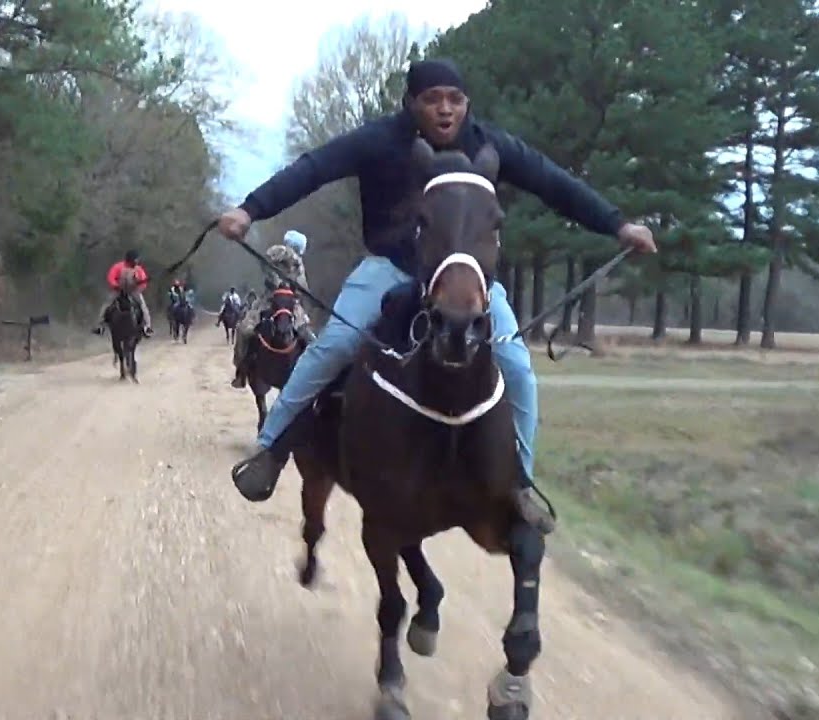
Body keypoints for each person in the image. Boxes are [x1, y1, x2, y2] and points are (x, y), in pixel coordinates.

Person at [218, 58, 657, 523]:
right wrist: (251, 209)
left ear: (467, 104)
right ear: (411, 104)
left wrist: (617, 224)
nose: (445, 109)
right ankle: (269, 452)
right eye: (432, 100)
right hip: (392, 267)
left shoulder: (490, 145)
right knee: (334, 345)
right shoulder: (378, 140)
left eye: (455, 99)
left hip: (466, 278)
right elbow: (312, 169)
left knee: (517, 367)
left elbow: (555, 184)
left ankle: (519, 484)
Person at [229, 230, 316, 388]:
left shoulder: (299, 265)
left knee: (310, 338)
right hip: (269, 300)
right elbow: (266, 260)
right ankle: (241, 370)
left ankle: (313, 374)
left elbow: (303, 287)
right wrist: (281, 268)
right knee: (243, 329)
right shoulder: (278, 251)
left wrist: (304, 296)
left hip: (291, 303)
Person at [101, 249, 153, 337]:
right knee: (107, 304)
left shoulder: (139, 269)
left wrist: (139, 289)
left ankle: (147, 327)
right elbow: (111, 277)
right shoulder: (118, 267)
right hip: (118, 290)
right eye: (136, 259)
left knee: (143, 306)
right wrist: (116, 286)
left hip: (133, 291)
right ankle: (100, 325)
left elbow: (143, 282)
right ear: (130, 259)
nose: (137, 261)